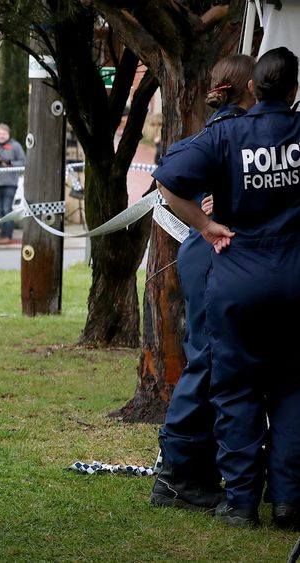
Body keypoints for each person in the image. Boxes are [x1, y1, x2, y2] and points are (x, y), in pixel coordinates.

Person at [154, 46, 300, 529]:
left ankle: (240, 503)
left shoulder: (227, 135)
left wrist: (205, 225)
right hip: (294, 274)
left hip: (236, 276)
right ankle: (287, 501)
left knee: (234, 389)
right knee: (290, 390)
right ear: (295, 90)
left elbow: (167, 179)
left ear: (255, 89)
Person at [150, 54, 256, 514]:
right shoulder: (224, 134)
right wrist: (205, 220)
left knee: (211, 361)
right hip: (213, 256)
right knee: (206, 363)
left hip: (210, 256)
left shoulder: (222, 132)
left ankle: (198, 469)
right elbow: (166, 181)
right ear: (250, 88)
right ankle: (176, 477)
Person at [0, 123, 25, 242]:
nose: (2, 136)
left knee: (7, 209)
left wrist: (10, 163)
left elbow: (24, 162)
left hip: (10, 183)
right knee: (0, 211)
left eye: (4, 133)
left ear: (8, 134)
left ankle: (8, 236)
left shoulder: (15, 146)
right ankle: (3, 235)